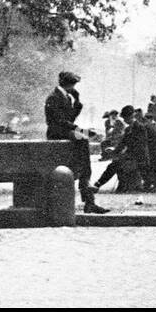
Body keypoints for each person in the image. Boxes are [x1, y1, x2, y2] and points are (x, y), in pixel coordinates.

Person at [43, 71, 108, 213]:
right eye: (74, 84)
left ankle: (88, 198)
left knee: (85, 145)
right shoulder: (54, 98)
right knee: (84, 139)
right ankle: (88, 198)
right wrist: (82, 131)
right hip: (57, 132)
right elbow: (60, 121)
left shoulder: (65, 97)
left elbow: (70, 119)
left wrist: (77, 102)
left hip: (65, 131)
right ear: (69, 84)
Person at [92, 104, 147, 193]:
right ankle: (100, 184)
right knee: (115, 163)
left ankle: (98, 184)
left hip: (139, 157)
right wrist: (114, 152)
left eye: (126, 118)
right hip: (130, 156)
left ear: (131, 116)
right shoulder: (129, 128)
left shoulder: (139, 127)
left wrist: (124, 154)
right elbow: (122, 143)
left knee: (115, 165)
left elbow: (140, 146)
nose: (125, 120)